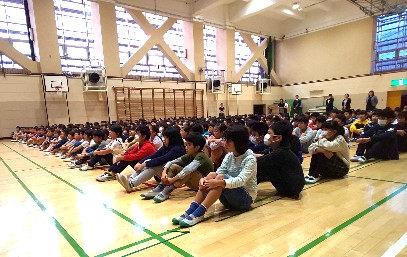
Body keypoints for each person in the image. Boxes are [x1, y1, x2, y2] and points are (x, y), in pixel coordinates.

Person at [173, 125, 257, 227]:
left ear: (238, 142)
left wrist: (219, 182)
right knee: (212, 174)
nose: (224, 143)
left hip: (245, 200)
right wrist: (204, 179)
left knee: (220, 178)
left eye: (228, 141)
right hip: (228, 200)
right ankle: (191, 210)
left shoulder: (250, 158)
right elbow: (219, 171)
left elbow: (241, 180)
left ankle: (199, 213)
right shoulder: (229, 155)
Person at [141, 133, 214, 203]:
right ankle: (160, 187)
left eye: (189, 145)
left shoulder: (201, 156)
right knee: (174, 166)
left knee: (189, 171)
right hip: (197, 182)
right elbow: (171, 162)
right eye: (186, 144)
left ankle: (167, 191)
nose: (186, 147)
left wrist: (172, 180)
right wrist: (164, 173)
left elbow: (188, 170)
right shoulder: (190, 155)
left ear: (197, 147)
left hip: (204, 185)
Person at [116, 126, 186, 193]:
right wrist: (140, 163)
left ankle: (131, 184)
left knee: (153, 166)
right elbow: (154, 155)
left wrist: (144, 164)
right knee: (148, 161)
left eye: (166, 138)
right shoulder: (167, 146)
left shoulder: (177, 149)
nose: (164, 139)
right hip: (164, 173)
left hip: (174, 176)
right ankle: (131, 179)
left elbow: (162, 159)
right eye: (164, 137)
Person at [257, 120, 304, 198]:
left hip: (291, 189)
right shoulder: (279, 149)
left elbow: (259, 162)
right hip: (290, 186)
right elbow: (263, 154)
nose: (266, 135)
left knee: (262, 165)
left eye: (269, 133)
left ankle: (245, 190)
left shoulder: (281, 152)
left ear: (278, 138)